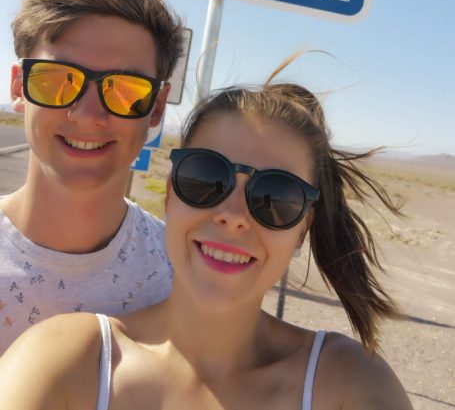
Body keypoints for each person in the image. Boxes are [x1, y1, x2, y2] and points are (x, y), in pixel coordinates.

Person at [0, 59, 413, 409]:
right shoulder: (70, 359)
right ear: (171, 196)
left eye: (275, 196)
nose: (233, 216)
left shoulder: (348, 384)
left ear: (304, 226)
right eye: (204, 177)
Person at [0, 0, 185, 354]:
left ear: (156, 107)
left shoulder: (181, 275)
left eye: (125, 89)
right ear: (19, 87)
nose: (87, 115)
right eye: (57, 81)